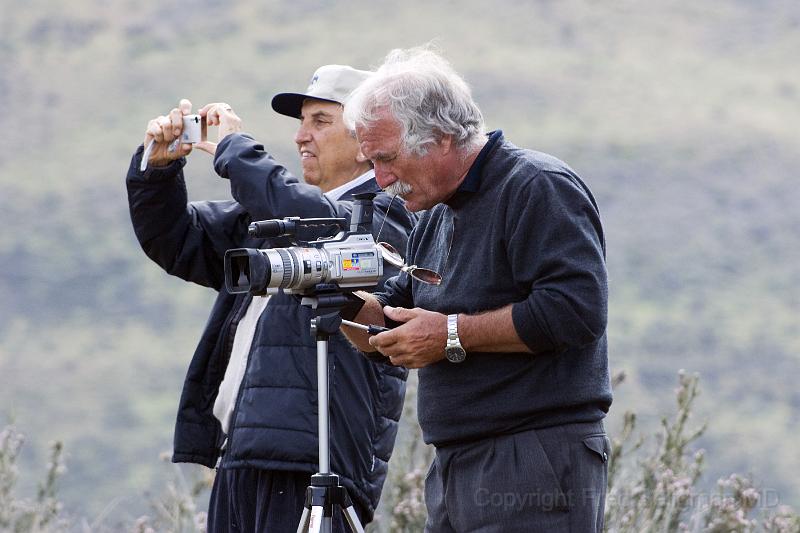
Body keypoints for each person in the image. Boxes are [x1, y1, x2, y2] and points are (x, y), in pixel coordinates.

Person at [125, 64, 417, 531]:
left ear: (368, 140)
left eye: (320, 121)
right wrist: (157, 170)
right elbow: (176, 240)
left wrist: (234, 151)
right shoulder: (277, 217)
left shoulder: (390, 214)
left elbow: (325, 227)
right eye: (301, 122)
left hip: (316, 467)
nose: (302, 136)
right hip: (239, 457)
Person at [340, 48, 613, 532]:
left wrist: (449, 334)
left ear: (441, 138)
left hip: (534, 457)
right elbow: (402, 310)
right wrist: (329, 296)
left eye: (386, 159)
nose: (381, 181)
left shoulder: (536, 186)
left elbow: (576, 311)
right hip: (455, 464)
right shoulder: (438, 210)